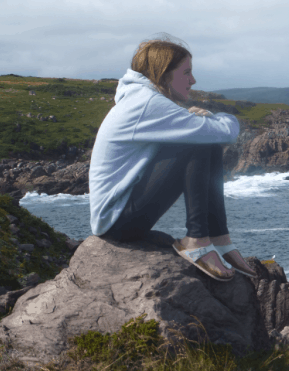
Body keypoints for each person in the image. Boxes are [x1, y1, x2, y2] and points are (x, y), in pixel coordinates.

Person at [88, 35, 256, 282]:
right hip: (117, 222)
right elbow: (227, 132)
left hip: (122, 214)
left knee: (203, 141)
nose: (193, 80)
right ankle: (196, 240)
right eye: (186, 72)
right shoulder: (147, 103)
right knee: (197, 143)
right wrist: (216, 117)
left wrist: (205, 121)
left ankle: (219, 239)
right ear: (164, 74)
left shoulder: (142, 98)